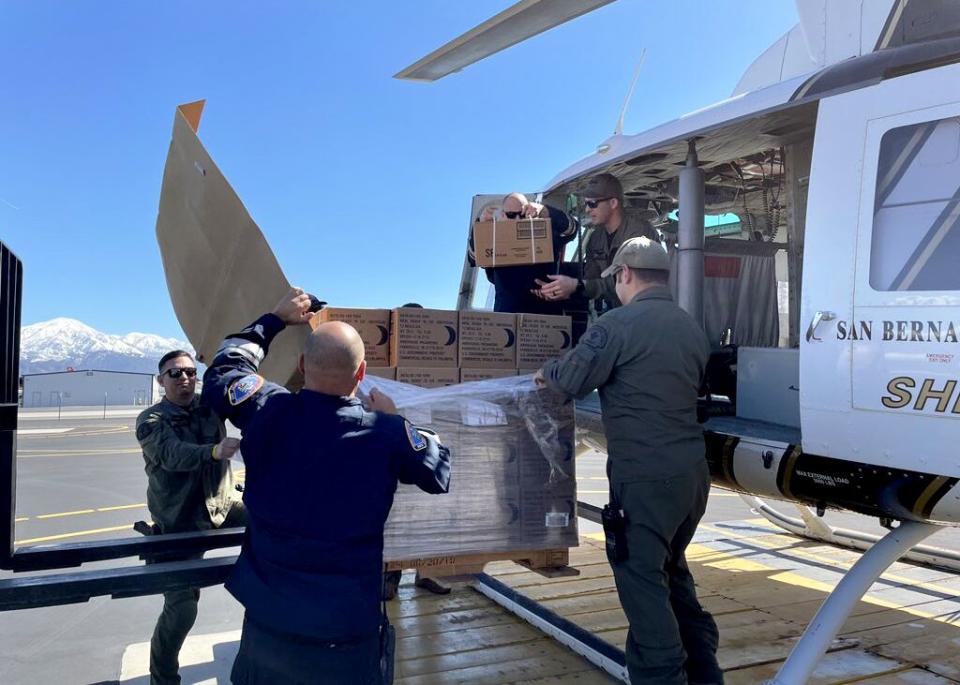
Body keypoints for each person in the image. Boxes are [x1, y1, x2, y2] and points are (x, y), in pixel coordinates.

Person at [201, 288, 451, 684]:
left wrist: (276, 319)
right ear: (362, 373)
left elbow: (224, 368)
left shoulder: (266, 410)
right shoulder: (386, 434)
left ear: (302, 364)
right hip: (346, 635)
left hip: (269, 624)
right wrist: (399, 420)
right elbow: (439, 473)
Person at [534, 237, 722, 685]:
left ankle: (661, 676)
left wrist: (547, 372)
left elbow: (570, 381)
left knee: (641, 580)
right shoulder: (690, 327)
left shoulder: (616, 325)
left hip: (645, 476)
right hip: (692, 476)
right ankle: (706, 673)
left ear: (624, 275)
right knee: (672, 569)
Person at [135, 349, 246, 685]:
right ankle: (163, 679)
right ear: (161, 380)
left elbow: (245, 394)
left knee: (276, 526)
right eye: (174, 374)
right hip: (178, 522)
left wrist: (219, 356)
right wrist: (213, 451)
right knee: (181, 607)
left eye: (189, 372)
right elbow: (171, 455)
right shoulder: (151, 421)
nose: (184, 379)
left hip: (223, 507)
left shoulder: (210, 406)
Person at [535, 173, 656, 314]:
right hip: (615, 313)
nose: (587, 209)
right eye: (586, 204)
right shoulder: (596, 238)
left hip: (644, 313)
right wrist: (560, 290)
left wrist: (576, 286)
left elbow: (630, 282)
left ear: (613, 203)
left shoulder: (639, 233)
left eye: (592, 204)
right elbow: (591, 282)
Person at [469, 192, 577, 314]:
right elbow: (474, 258)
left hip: (544, 317)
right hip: (507, 319)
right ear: (503, 215)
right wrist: (481, 226)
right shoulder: (494, 240)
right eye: (511, 215)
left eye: (522, 214)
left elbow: (571, 229)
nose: (517, 219)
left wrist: (546, 211)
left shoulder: (544, 234)